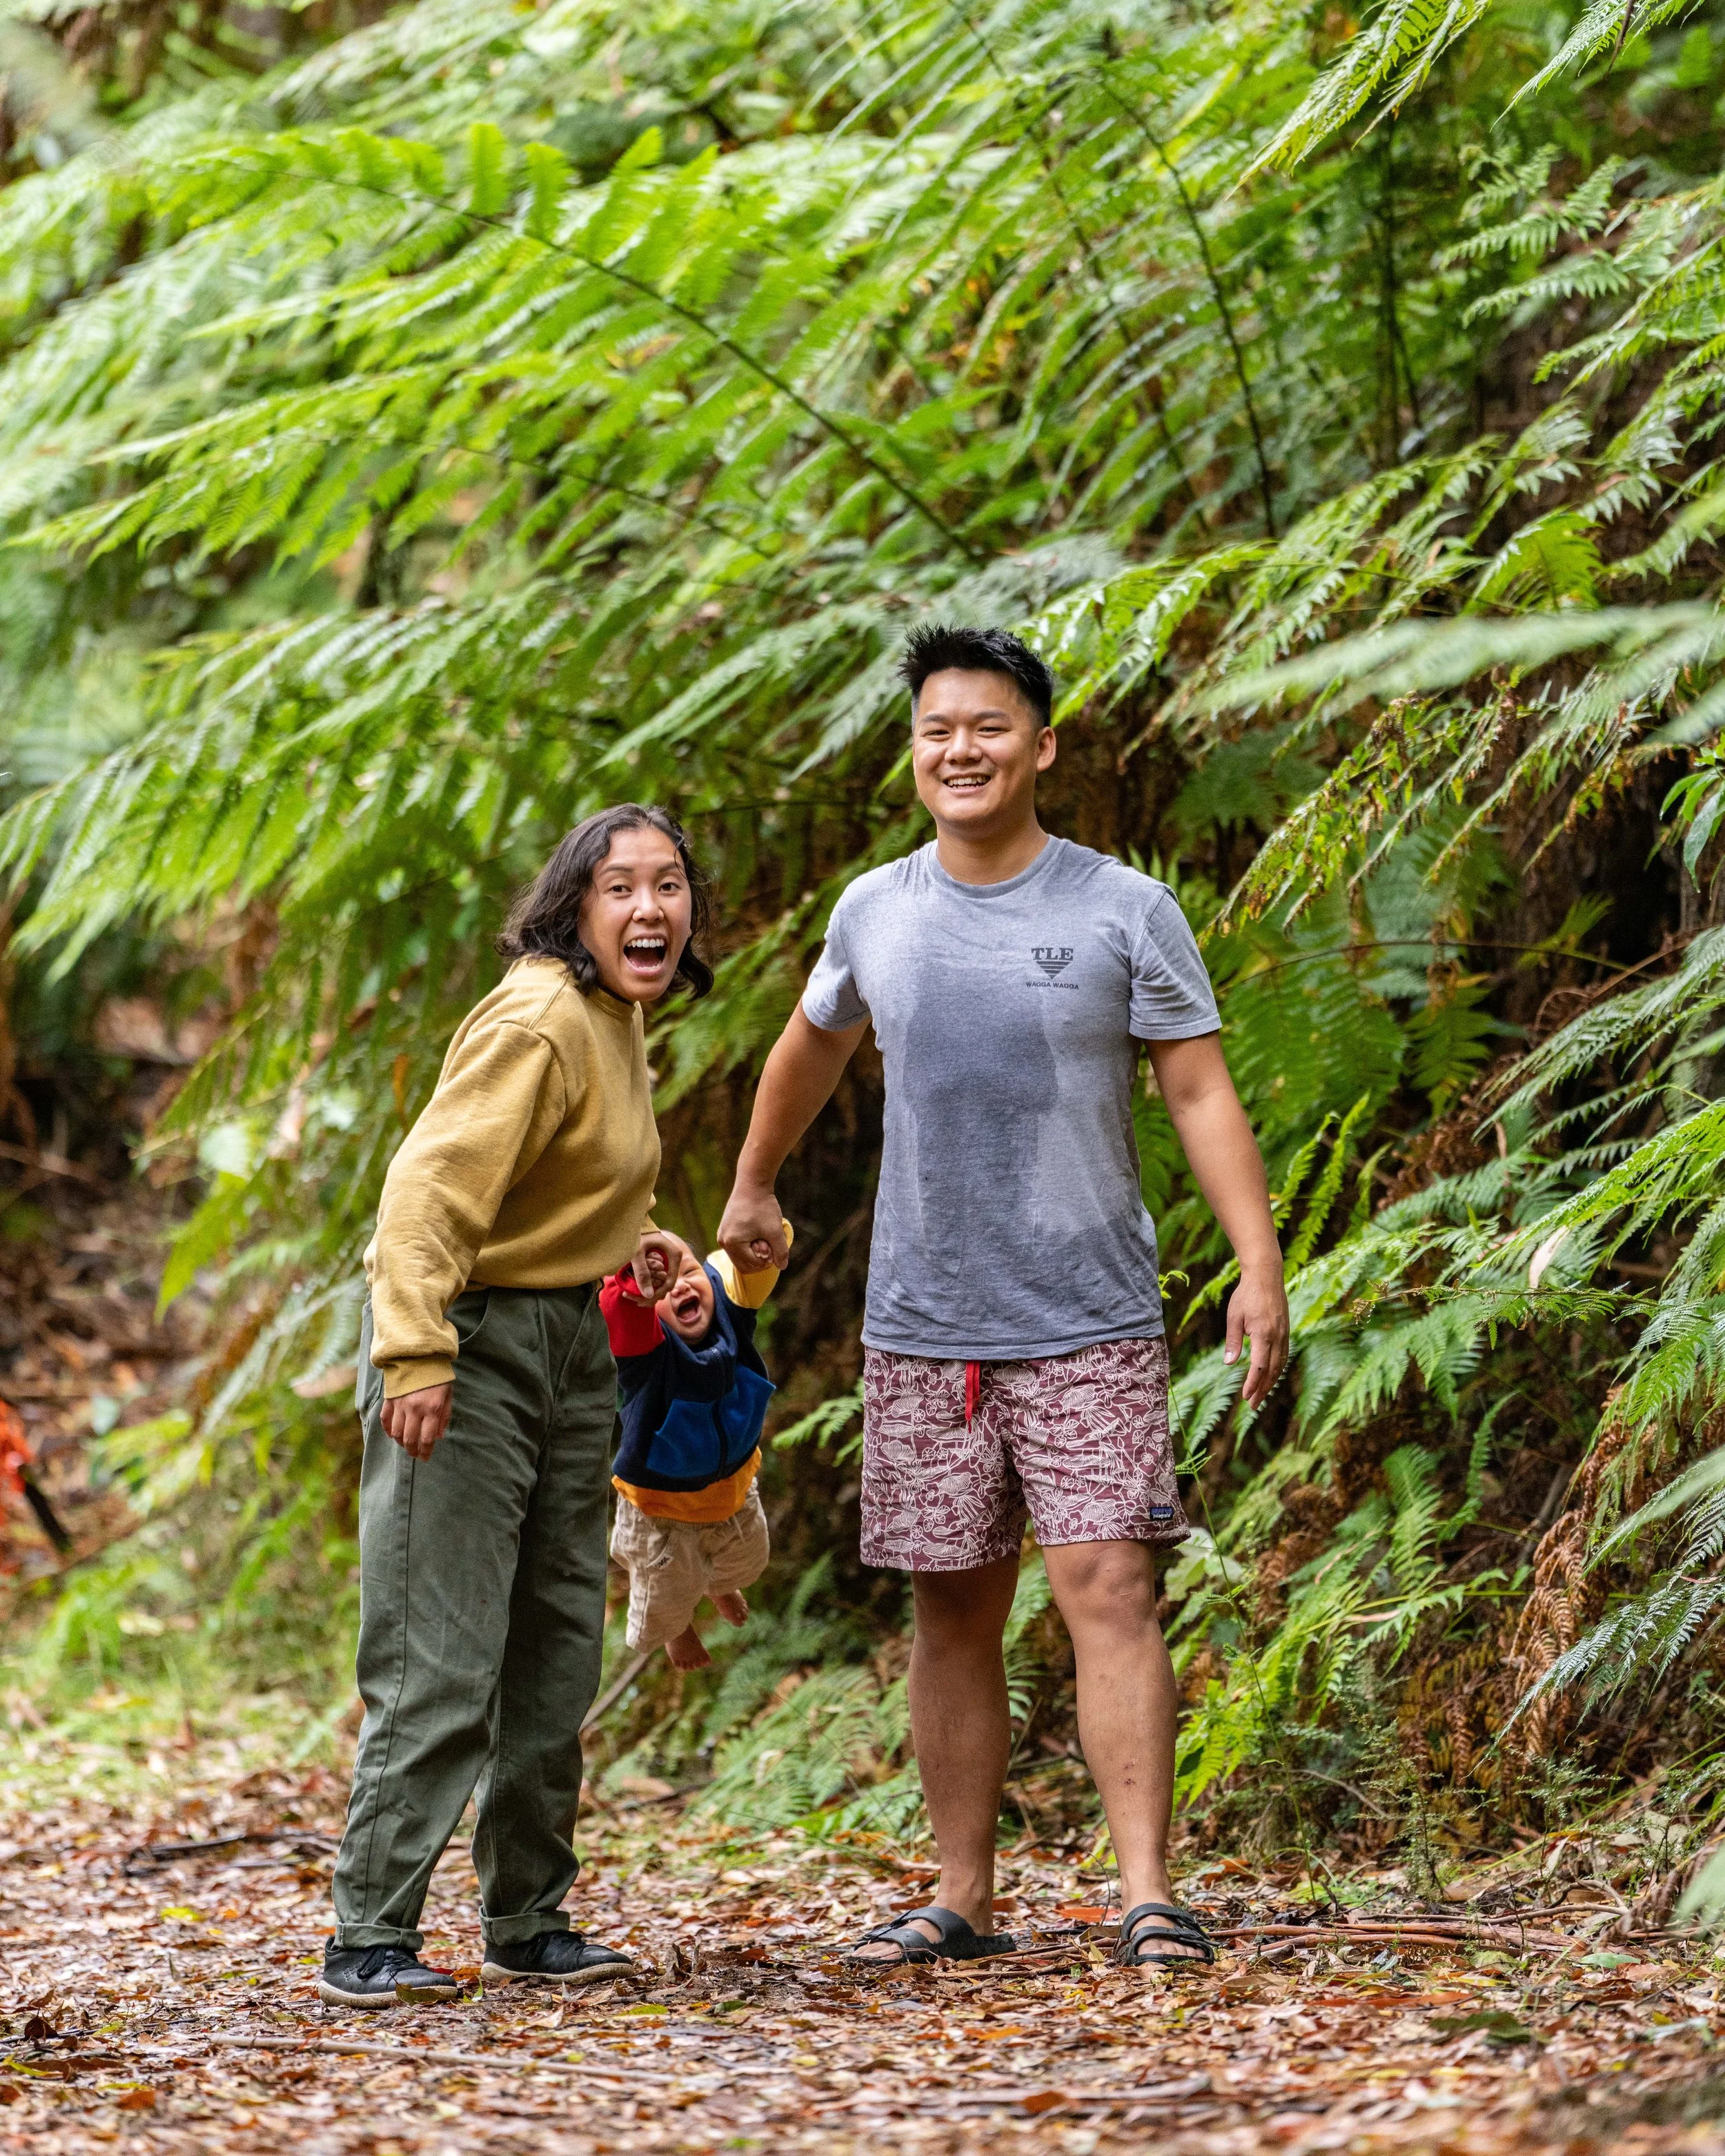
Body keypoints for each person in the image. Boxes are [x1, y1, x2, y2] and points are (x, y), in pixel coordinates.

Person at [718, 624, 1289, 1972]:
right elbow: (808, 1043)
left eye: (984, 726)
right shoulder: (875, 908)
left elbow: (1197, 1086)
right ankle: (960, 1889)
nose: (957, 749)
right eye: (934, 729)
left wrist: (1255, 1259)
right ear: (911, 750)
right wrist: (752, 1182)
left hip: (1087, 1311)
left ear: (1041, 744)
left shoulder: (1121, 907)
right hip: (925, 1322)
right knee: (950, 1607)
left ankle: (1148, 1888)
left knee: (1108, 1586)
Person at [321, 804, 707, 2010]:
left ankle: (527, 1918)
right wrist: (415, 1354)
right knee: (443, 1650)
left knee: (553, 1642)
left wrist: (636, 1242)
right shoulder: (541, 1015)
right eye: (621, 888)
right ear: (574, 907)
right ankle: (369, 1934)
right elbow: (427, 1193)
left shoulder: (616, 1017)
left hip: (571, 1344)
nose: (651, 909)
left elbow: (553, 1182)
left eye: (671, 886)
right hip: (476, 1346)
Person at [600, 1228, 791, 1671]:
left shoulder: (731, 1311)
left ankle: (714, 1583)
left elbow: (753, 1269)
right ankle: (677, 1630)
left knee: (749, 1557)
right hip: (661, 1512)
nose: (682, 1284)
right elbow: (621, 1311)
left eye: (688, 1271)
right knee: (661, 1602)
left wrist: (760, 1238)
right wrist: (636, 1280)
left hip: (734, 1487)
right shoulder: (645, 1352)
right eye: (664, 1286)